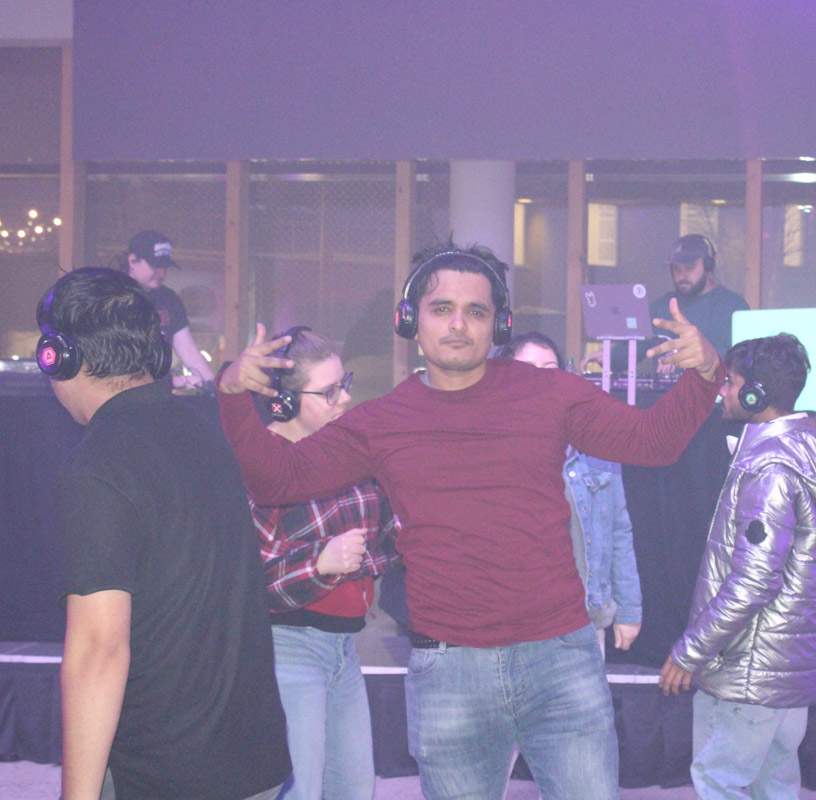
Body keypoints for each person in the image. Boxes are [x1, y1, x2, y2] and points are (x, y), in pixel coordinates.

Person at [217, 241, 724, 800]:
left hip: (559, 659)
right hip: (449, 671)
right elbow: (278, 480)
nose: (458, 324)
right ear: (411, 320)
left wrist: (705, 373)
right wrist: (234, 395)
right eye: (442, 309)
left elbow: (653, 442)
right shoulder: (384, 420)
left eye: (475, 311)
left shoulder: (549, 392)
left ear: (498, 324)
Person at [39, 267, 290, 800]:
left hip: (167, 773)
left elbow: (99, 651)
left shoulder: (98, 467)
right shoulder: (203, 431)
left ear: (57, 355)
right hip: (254, 759)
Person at [659, 333, 816, 800]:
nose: (722, 391)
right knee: (774, 782)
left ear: (755, 395)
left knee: (718, 780)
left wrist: (689, 652)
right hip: (787, 668)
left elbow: (753, 581)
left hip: (751, 670)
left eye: (730, 383)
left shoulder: (770, 470)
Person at [249, 326, 402, 800]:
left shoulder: (345, 452)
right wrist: (319, 563)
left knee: (353, 789)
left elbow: (388, 535)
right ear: (284, 403)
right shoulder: (261, 465)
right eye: (329, 391)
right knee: (300, 790)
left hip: (345, 649)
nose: (345, 399)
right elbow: (247, 583)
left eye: (345, 384)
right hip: (288, 648)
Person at [499, 331, 642, 654]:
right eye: (527, 369)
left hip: (583, 618)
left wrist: (629, 611)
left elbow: (618, 530)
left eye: (549, 368)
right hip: (511, 621)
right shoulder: (489, 447)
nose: (540, 378)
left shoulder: (594, 445)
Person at [594, 234, 749, 377]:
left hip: (715, 396)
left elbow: (744, 362)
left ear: (708, 266)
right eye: (676, 269)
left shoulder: (734, 307)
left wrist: (687, 356)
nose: (682, 275)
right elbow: (634, 348)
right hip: (668, 397)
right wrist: (609, 357)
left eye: (689, 268)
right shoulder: (660, 307)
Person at [122, 230, 217, 390]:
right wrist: (174, 382)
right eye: (154, 266)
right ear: (132, 260)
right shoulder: (114, 296)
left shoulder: (169, 299)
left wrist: (213, 387)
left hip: (155, 391)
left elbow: (188, 350)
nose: (161, 273)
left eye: (165, 267)